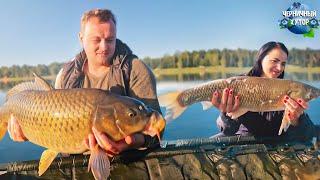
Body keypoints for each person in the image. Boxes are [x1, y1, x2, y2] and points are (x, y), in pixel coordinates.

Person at [7, 9, 163, 156]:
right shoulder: (65, 75)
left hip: (129, 160)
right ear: (81, 38)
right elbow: (51, 129)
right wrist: (27, 133)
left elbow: (158, 131)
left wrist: (134, 142)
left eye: (110, 39)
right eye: (96, 39)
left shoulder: (135, 70)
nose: (104, 46)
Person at [211, 41, 316, 140]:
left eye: (283, 63)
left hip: (276, 146)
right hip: (243, 142)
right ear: (261, 59)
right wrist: (226, 113)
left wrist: (296, 120)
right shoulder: (239, 84)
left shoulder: (289, 89)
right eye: (275, 61)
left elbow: (308, 134)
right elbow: (227, 130)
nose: (279, 68)